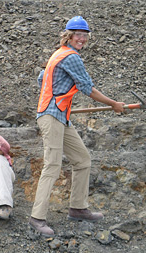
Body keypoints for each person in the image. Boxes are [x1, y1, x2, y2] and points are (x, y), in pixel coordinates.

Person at [29, 16, 125, 236]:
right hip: (52, 116)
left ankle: (78, 208)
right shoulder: (71, 57)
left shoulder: (57, 54)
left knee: (82, 160)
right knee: (52, 166)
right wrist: (113, 104)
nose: (82, 39)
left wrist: (57, 97)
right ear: (69, 35)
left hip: (60, 116)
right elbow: (88, 88)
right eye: (78, 35)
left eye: (85, 35)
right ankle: (37, 218)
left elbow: (42, 79)